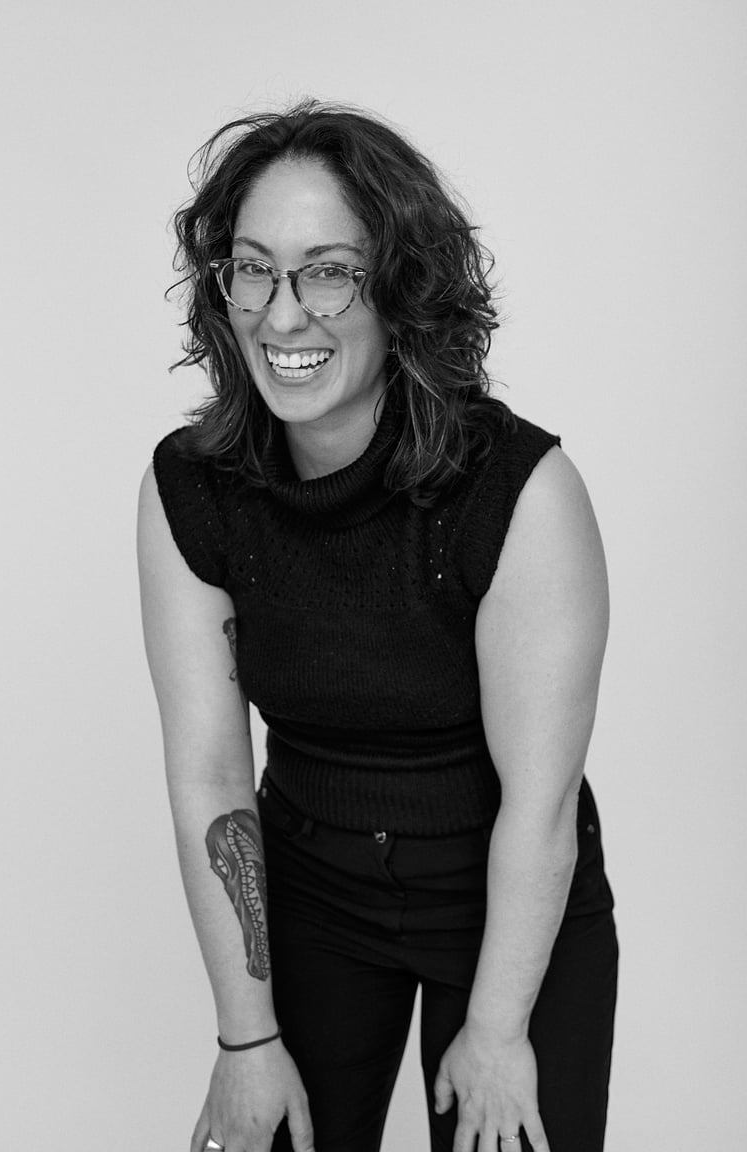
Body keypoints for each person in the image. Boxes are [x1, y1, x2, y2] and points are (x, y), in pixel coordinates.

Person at [137, 100, 618, 1152]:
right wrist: (244, 1042)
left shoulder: (520, 492)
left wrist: (498, 1031)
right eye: (253, 268)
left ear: (400, 292)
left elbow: (538, 809)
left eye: (327, 271)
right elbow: (212, 779)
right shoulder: (194, 488)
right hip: (311, 884)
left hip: (504, 892)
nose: (281, 313)